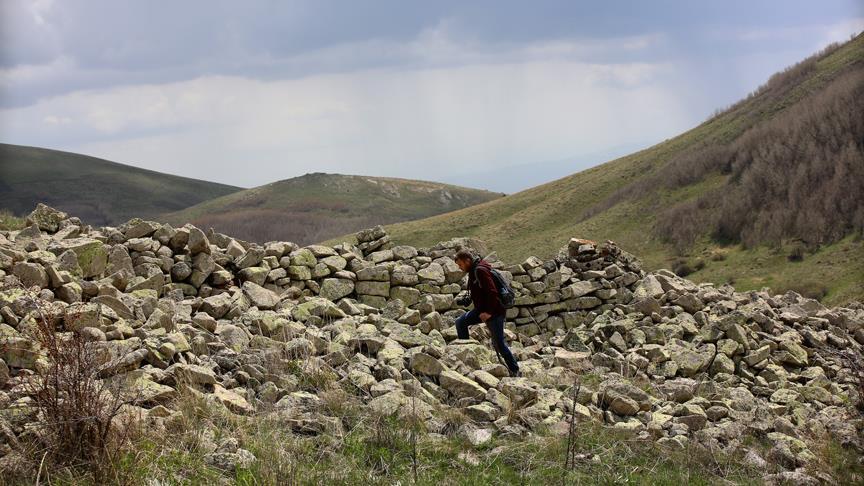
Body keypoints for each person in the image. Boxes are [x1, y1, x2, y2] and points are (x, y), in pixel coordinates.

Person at [453, 249, 520, 377]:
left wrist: (488, 313)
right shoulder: (474, 271)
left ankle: (515, 370)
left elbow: (492, 292)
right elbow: (479, 291)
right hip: (481, 310)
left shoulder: (480, 271)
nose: (460, 268)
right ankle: (467, 357)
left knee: (499, 344)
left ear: (467, 261)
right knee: (460, 322)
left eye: (460, 264)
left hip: (494, 312)